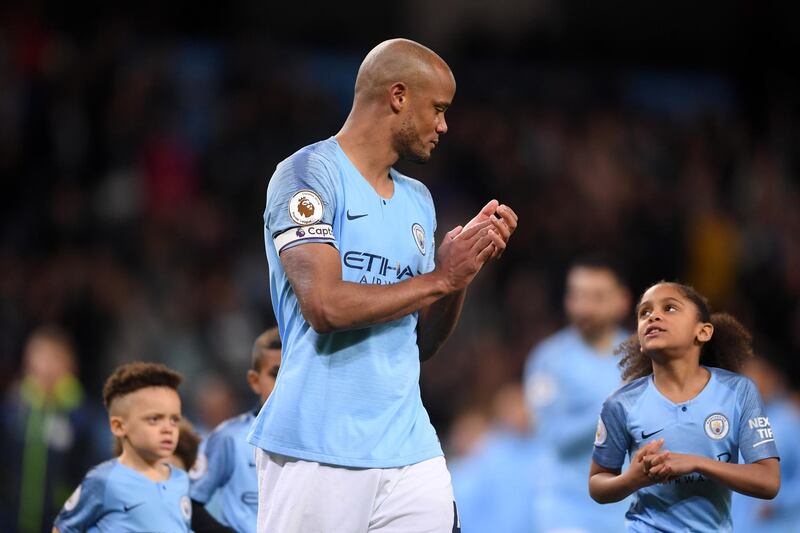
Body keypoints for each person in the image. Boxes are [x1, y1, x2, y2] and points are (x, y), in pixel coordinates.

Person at [247, 38, 517, 532]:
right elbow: (324, 306)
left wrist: (459, 277)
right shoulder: (307, 175)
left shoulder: (418, 200)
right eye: (437, 109)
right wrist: (439, 277)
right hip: (316, 446)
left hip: (409, 448)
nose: (444, 125)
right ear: (398, 96)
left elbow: (422, 344)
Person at [589, 281, 781, 532]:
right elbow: (597, 483)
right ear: (640, 339)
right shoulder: (621, 403)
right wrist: (631, 479)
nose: (653, 316)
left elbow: (769, 481)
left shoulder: (738, 392)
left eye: (669, 308)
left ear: (703, 332)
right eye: (644, 313)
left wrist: (697, 463)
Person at [523, 255, 631, 532]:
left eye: (596, 297)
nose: (584, 307)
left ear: (621, 301)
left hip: (624, 511)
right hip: (566, 509)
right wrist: (613, 407)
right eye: (577, 296)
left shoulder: (642, 357)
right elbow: (554, 436)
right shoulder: (548, 361)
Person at [52, 362, 191, 533]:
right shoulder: (103, 480)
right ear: (118, 426)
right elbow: (62, 529)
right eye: (154, 419)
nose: (168, 429)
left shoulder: (181, 481)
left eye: (174, 420)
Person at [0, 325, 107, 533]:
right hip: (10, 521)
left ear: (70, 363)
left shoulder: (82, 416)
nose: (46, 366)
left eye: (54, 357)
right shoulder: (13, 409)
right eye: (40, 356)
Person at [190, 327, 281, 533]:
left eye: (291, 374)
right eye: (275, 375)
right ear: (254, 381)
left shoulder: (316, 440)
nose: (284, 384)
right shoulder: (229, 438)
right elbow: (188, 503)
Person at [731, 356, 800, 532]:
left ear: (770, 378)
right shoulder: (735, 422)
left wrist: (779, 502)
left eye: (756, 378)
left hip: (779, 525)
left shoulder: (789, 420)